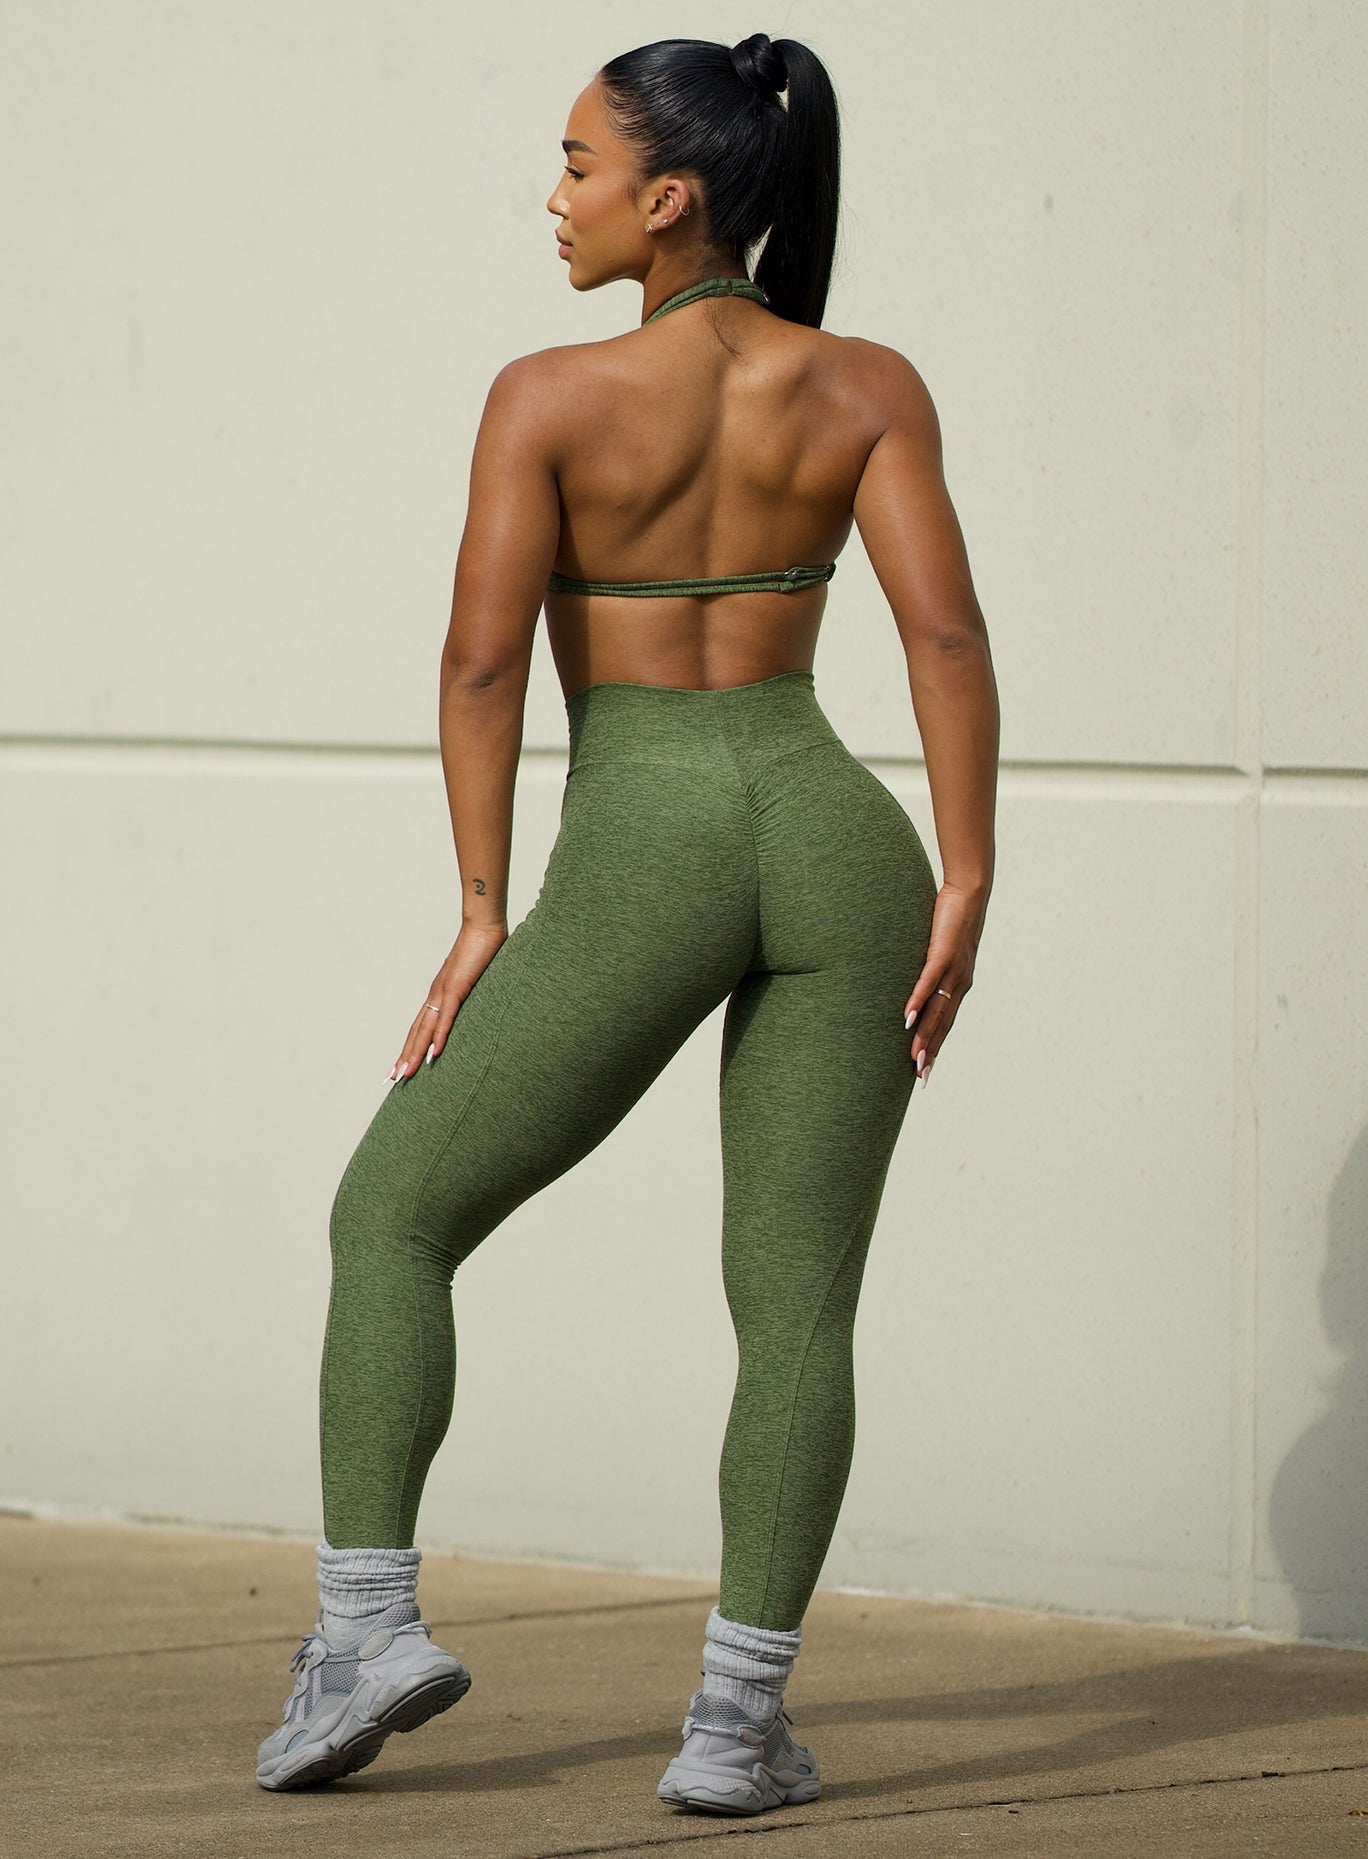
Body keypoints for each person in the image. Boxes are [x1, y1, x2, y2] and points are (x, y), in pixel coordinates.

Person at [255, 29, 999, 1817]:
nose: (556, 196)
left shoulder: (547, 396)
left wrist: (480, 910)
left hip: (652, 839)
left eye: (579, 166)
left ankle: (364, 1631)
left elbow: (480, 664)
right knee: (798, 1306)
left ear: (668, 199)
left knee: (392, 1213)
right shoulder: (866, 383)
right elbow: (944, 637)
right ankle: (736, 1726)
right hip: (843, 844)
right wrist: (970, 873)